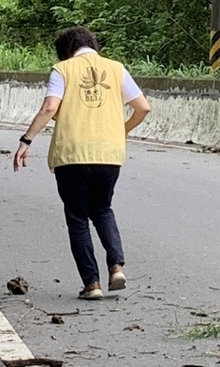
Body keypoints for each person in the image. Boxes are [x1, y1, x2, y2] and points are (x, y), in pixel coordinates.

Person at [13, 26, 150, 300]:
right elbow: (143, 107)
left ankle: (92, 284)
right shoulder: (116, 68)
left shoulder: (63, 69)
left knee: (77, 219)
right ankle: (117, 267)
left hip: (72, 155)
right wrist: (120, 131)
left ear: (66, 51)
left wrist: (26, 140)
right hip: (109, 154)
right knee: (102, 209)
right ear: (92, 44)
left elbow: (50, 108)